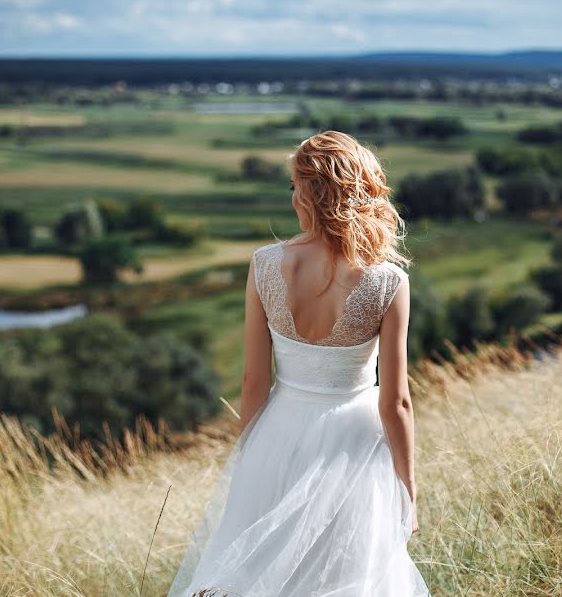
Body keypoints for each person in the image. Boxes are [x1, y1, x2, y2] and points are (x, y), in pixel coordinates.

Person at [167, 130, 431, 596]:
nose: (293, 196)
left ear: (308, 193)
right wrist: (408, 489)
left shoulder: (265, 264)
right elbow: (397, 404)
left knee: (260, 576)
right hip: (356, 447)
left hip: (277, 435)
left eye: (295, 185)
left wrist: (249, 459)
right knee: (349, 576)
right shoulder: (389, 282)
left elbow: (253, 382)